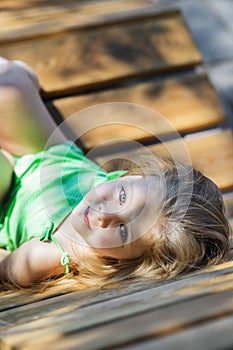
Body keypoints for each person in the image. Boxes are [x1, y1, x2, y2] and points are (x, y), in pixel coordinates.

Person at [0, 58, 231, 291]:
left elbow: (5, 264)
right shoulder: (131, 195)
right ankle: (23, 75)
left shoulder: (52, 255)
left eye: (122, 231)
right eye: (123, 196)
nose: (105, 214)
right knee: (11, 84)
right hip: (47, 153)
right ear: (132, 176)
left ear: (122, 260)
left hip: (4, 198)